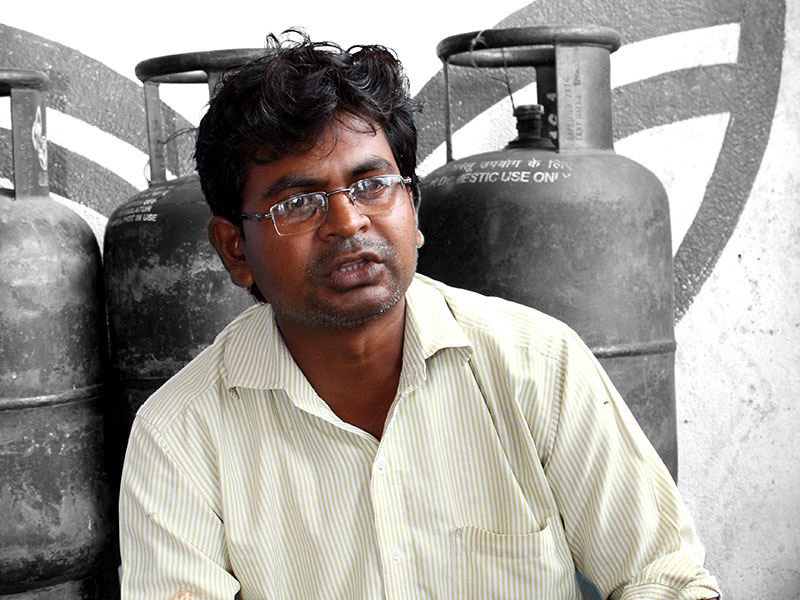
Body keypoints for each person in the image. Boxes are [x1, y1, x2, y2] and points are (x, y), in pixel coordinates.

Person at [118, 31, 721, 600]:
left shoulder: (538, 365)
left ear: (414, 205)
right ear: (234, 250)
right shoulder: (179, 435)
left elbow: (664, 576)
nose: (349, 221)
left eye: (372, 184)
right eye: (297, 202)